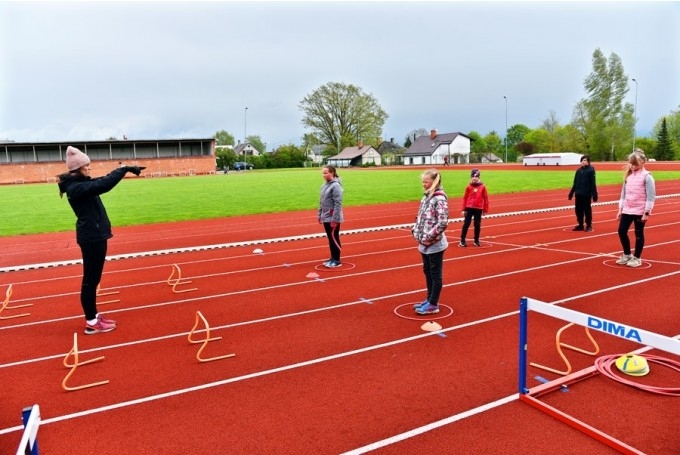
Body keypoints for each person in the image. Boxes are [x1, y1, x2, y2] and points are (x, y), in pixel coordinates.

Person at [57, 146, 145, 334]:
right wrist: (124, 169)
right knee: (90, 281)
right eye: (86, 165)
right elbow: (104, 185)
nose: (90, 168)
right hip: (92, 238)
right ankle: (91, 321)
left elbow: (102, 180)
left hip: (95, 236)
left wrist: (125, 169)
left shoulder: (80, 183)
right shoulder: (77, 187)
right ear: (78, 168)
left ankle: (94, 316)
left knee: (93, 280)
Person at [411, 169, 449, 315]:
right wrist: (415, 230)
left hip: (435, 244)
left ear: (434, 182)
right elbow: (420, 216)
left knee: (435, 274)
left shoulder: (439, 199)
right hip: (424, 243)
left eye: (426, 182)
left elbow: (442, 222)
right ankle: (429, 299)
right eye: (423, 181)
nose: (423, 184)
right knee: (427, 271)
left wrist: (428, 237)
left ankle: (433, 304)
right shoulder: (426, 197)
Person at [616, 149, 656, 268]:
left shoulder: (647, 177)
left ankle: (637, 257)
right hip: (627, 209)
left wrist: (647, 212)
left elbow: (651, 196)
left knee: (638, 233)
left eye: (635, 164)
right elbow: (623, 194)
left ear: (643, 162)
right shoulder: (628, 176)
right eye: (631, 164)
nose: (632, 166)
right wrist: (620, 209)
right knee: (621, 231)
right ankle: (627, 254)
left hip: (640, 210)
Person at [318, 165, 344, 268]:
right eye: (323, 173)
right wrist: (320, 215)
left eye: (326, 173)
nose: (324, 175)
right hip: (326, 216)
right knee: (330, 238)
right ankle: (332, 257)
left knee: (334, 238)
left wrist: (335, 219)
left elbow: (338, 203)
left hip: (333, 217)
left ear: (332, 173)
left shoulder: (336, 186)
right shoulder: (324, 185)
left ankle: (337, 260)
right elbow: (321, 202)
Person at [459, 168, 489, 247]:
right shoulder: (468, 187)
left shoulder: (482, 187)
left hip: (478, 208)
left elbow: (485, 198)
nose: (474, 178)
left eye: (476, 177)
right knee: (466, 223)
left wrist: (485, 209)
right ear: (471, 177)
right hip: (469, 208)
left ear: (479, 177)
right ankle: (462, 240)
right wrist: (463, 209)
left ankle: (476, 240)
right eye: (473, 177)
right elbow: (465, 198)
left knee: (477, 224)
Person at [568, 155, 598, 231]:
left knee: (587, 210)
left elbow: (592, 183)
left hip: (586, 194)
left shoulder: (591, 170)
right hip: (578, 194)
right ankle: (580, 224)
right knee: (578, 210)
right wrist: (571, 193)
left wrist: (594, 194)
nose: (583, 162)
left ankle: (588, 225)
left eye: (585, 160)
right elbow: (575, 183)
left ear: (588, 162)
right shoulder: (578, 171)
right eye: (582, 160)